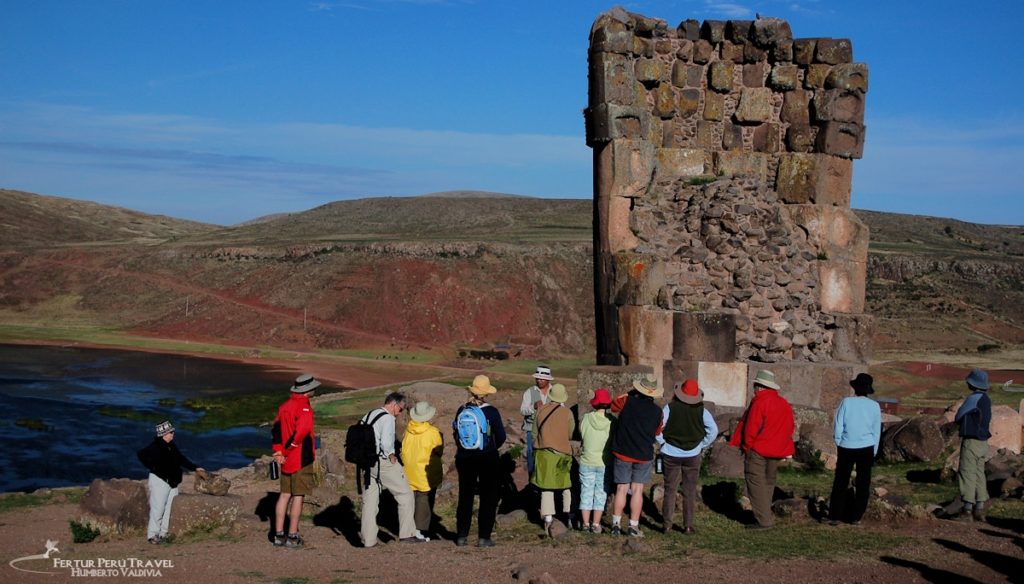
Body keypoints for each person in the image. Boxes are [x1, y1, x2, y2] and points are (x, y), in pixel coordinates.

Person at [728, 369, 795, 530]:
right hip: (776, 449)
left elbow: (751, 428)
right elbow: (790, 427)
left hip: (758, 449)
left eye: (755, 386)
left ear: (759, 387)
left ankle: (764, 520)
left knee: (755, 482)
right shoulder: (783, 403)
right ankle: (765, 513)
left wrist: (747, 446)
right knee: (768, 482)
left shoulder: (760, 402)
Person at [656, 379, 718, 535]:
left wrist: (662, 443)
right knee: (689, 491)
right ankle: (688, 525)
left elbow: (658, 427)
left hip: (670, 453)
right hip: (692, 454)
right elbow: (713, 430)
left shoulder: (670, 408)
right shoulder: (701, 410)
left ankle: (667, 524)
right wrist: (702, 444)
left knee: (670, 489)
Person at [360, 392, 421, 546]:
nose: (400, 413)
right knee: (405, 493)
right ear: (394, 404)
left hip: (367, 463)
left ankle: (368, 540)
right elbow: (387, 443)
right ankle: (407, 534)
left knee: (370, 501)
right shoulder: (387, 418)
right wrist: (391, 455)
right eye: (400, 409)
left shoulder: (370, 414)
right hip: (382, 462)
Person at [454, 375, 507, 547]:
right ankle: (484, 536)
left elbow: (456, 434)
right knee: (488, 496)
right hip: (487, 457)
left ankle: (461, 535)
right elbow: (501, 436)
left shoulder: (461, 410)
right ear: (486, 393)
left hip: (464, 457)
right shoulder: (491, 411)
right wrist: (490, 447)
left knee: (465, 496)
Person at [609, 373, 664, 537]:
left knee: (621, 488)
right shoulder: (658, 412)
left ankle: (616, 524)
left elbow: (613, 406)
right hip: (643, 454)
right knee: (638, 490)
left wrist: (629, 393)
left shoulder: (627, 401)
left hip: (623, 451)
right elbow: (658, 431)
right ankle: (633, 526)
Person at [827, 373, 881, 526]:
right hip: (867, 447)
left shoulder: (846, 402)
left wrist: (839, 441)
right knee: (863, 482)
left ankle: (835, 515)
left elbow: (838, 424)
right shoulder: (874, 406)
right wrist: (874, 450)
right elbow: (876, 430)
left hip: (847, 445)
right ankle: (856, 516)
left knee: (841, 481)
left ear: (855, 388)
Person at [271, 373, 318, 548]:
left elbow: (275, 429)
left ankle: (278, 534)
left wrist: (278, 452)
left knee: (284, 495)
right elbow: (301, 433)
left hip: (285, 459)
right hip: (300, 458)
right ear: (307, 390)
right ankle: (292, 535)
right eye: (313, 387)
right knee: (298, 496)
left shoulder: (285, 406)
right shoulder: (304, 407)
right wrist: (288, 450)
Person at [137, 420, 202, 544]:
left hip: (173, 482)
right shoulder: (155, 446)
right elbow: (141, 455)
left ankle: (164, 533)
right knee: (158, 508)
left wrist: (194, 467)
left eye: (172, 432)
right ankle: (152, 535)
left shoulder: (171, 445)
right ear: (163, 434)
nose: (173, 434)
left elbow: (181, 458)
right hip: (160, 481)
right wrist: (154, 468)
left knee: (169, 508)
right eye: (170, 432)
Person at [530, 383, 575, 536]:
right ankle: (569, 515)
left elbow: (534, 432)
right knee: (566, 485)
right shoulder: (567, 413)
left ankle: (548, 519)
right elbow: (570, 434)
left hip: (544, 454)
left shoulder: (540, 410)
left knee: (546, 487)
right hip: (563, 453)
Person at [954, 368, 992, 522]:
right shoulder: (986, 399)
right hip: (983, 442)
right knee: (979, 474)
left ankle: (967, 510)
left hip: (971, 441)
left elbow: (959, 415)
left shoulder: (974, 398)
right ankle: (980, 508)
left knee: (967, 473)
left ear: (972, 383)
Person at [401, 400, 444, 541]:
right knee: (423, 499)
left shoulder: (408, 430)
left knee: (410, 499)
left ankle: (408, 528)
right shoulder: (432, 432)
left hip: (409, 470)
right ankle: (419, 530)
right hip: (425, 472)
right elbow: (438, 450)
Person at [578, 387, 614, 533]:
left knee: (586, 491)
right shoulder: (612, 421)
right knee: (601, 493)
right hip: (604, 461)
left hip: (587, 460)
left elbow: (582, 434)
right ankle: (596, 523)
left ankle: (585, 523)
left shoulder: (586, 418)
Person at [521, 365, 554, 476]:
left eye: (542, 378)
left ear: (548, 379)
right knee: (531, 454)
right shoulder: (529, 392)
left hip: (549, 430)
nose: (539, 380)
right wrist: (532, 408)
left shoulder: (554, 392)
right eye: (537, 378)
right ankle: (532, 479)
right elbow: (523, 411)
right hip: (531, 429)